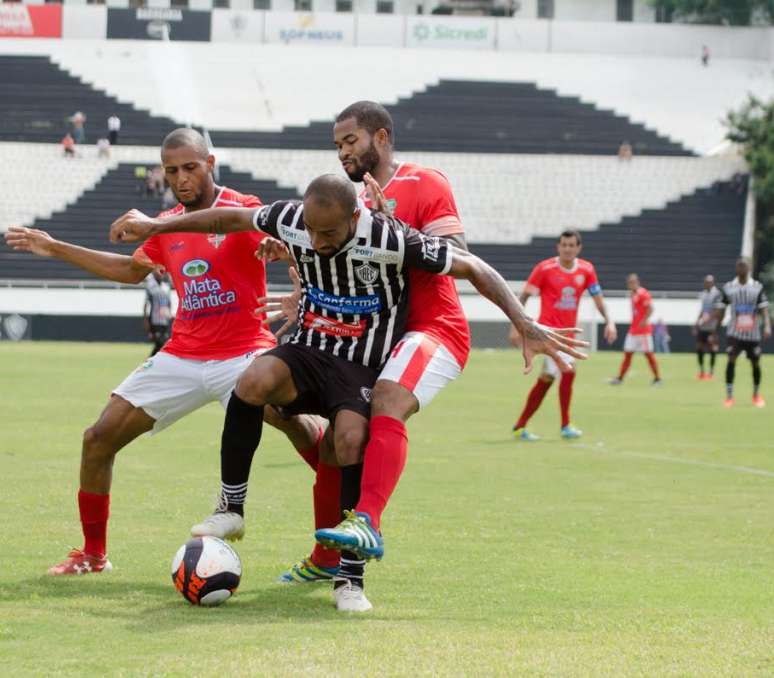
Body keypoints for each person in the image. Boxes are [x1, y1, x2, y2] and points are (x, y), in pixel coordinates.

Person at [109, 174, 586, 611]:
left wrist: (525, 323)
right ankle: (231, 508)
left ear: (355, 218)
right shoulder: (293, 220)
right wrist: (155, 225)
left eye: (329, 234)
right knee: (250, 381)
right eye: (310, 233)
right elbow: (227, 218)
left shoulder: (391, 238)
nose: (316, 243)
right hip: (309, 349)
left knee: (350, 441)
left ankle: (350, 579)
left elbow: (471, 265)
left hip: (360, 363)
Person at [3, 128, 319, 577]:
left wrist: (280, 251)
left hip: (244, 354)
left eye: (190, 167)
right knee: (98, 439)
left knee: (303, 430)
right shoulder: (166, 224)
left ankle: (339, 531)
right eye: (172, 171)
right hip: (183, 356)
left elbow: (296, 247)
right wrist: (55, 248)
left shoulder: (244, 208)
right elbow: (132, 270)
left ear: (210, 164)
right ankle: (93, 555)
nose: (181, 178)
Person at [263, 101, 479, 586]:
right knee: (295, 423)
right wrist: (301, 284)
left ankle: (366, 522)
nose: (342, 152)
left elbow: (460, 257)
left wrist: (395, 226)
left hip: (432, 327)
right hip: (374, 338)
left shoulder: (425, 183)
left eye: (350, 141)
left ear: (380, 138)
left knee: (382, 405)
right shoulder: (348, 200)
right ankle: (325, 557)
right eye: (337, 145)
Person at [511, 230, 616, 441]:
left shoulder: (586, 270)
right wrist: (517, 326)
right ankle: (563, 425)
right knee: (566, 372)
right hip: (548, 333)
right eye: (564, 245)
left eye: (571, 245)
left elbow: (597, 297)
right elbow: (523, 297)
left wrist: (609, 321)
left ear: (578, 248)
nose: (567, 249)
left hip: (568, 334)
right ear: (558, 247)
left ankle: (522, 426)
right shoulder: (545, 268)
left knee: (550, 378)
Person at [717, 257, 771, 408]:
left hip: (752, 333)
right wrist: (717, 327)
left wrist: (767, 325)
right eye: (739, 266)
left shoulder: (757, 287)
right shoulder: (728, 287)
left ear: (750, 268)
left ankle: (756, 395)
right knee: (731, 359)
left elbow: (763, 308)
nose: (741, 268)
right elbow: (721, 308)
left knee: (755, 362)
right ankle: (729, 397)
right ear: (736, 269)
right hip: (734, 332)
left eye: (744, 266)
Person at [610, 273, 662, 386]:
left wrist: (644, 321)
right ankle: (620, 378)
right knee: (627, 354)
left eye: (633, 282)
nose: (631, 284)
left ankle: (658, 379)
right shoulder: (632, 294)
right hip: (633, 331)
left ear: (638, 282)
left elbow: (651, 308)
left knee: (649, 355)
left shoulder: (643, 293)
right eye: (629, 282)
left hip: (644, 332)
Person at [694, 274, 722, 379]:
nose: (705, 284)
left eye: (707, 282)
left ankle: (711, 372)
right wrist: (697, 322)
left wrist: (708, 319)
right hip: (703, 326)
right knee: (699, 348)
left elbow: (718, 311)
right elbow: (703, 310)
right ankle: (701, 371)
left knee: (713, 348)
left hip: (712, 326)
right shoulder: (704, 294)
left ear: (712, 283)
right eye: (704, 282)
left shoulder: (717, 294)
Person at [143, 271, 172, 356]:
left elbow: (169, 303)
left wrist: (169, 313)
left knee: (162, 344)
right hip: (155, 320)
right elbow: (146, 304)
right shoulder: (150, 286)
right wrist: (146, 320)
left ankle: (150, 362)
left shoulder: (166, 287)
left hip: (164, 320)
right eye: (158, 272)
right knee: (160, 343)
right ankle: (149, 362)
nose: (160, 274)